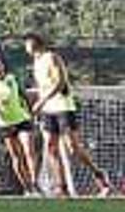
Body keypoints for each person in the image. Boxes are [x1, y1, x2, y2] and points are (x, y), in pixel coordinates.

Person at [24, 31, 112, 199]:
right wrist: (39, 104)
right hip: (47, 110)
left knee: (73, 147)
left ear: (37, 42)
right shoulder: (36, 63)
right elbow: (43, 87)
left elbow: (60, 82)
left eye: (28, 42)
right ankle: (61, 187)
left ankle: (100, 176)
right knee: (50, 147)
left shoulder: (52, 57)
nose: (26, 46)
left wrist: (42, 101)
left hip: (63, 106)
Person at [0, 52, 36, 196]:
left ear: (3, 65)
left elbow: (23, 95)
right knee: (16, 157)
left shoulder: (12, 78)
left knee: (29, 150)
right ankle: (27, 188)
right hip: (6, 123)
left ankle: (35, 183)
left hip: (22, 119)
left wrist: (31, 112)